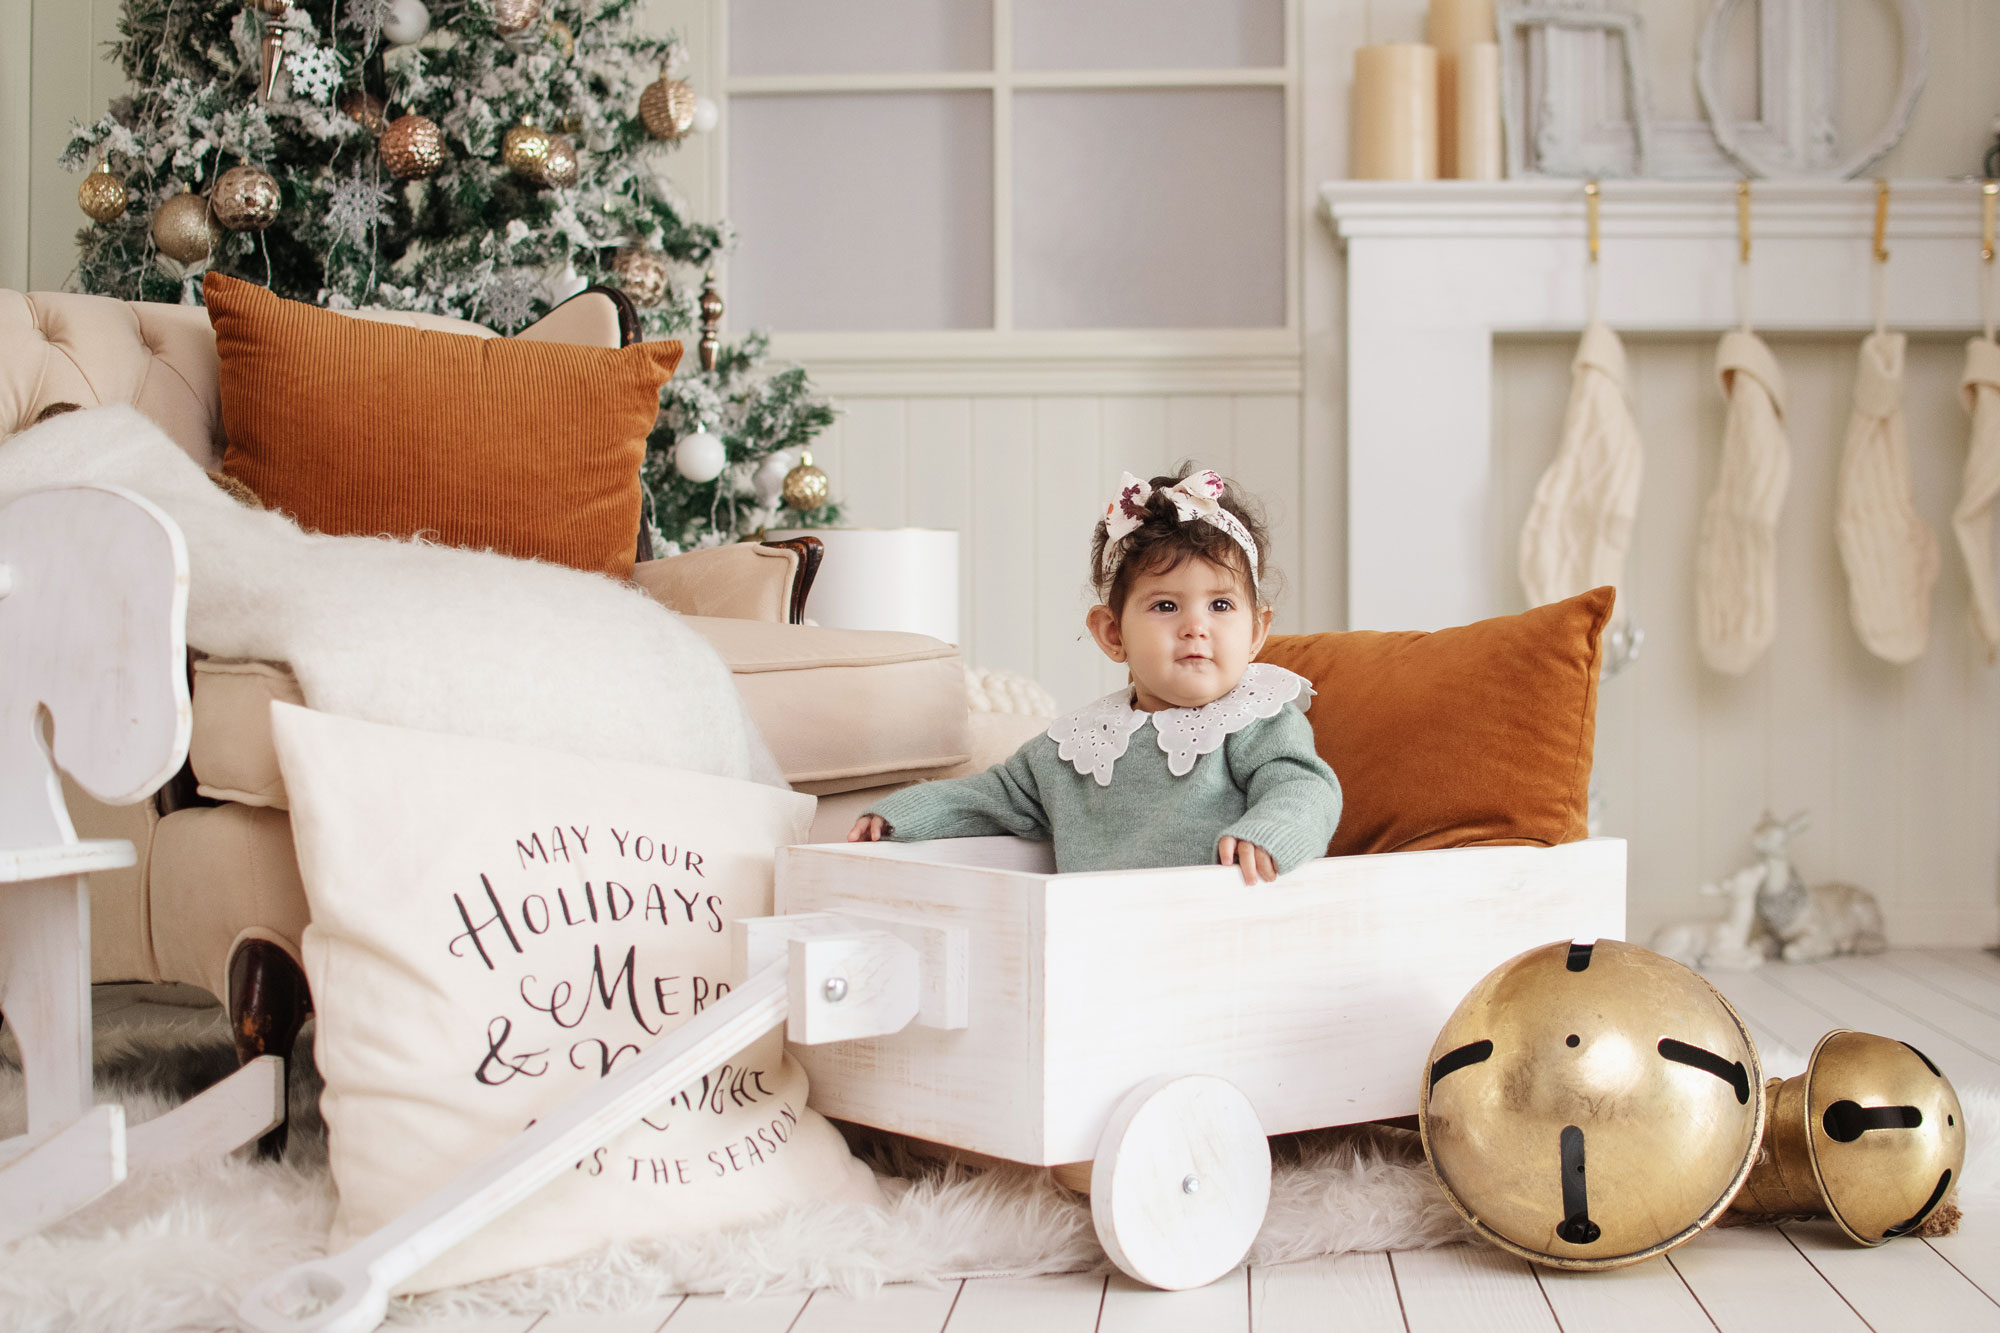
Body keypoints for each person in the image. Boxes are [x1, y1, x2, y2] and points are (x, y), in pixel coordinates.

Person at [849, 464, 1341, 884]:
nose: (1196, 627)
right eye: (1166, 605)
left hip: (1219, 926)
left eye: (1220, 605)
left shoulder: (1256, 719)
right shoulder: (1080, 744)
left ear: (1255, 632)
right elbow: (996, 793)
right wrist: (903, 813)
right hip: (1096, 933)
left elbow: (1303, 786)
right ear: (1112, 634)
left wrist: (1271, 833)